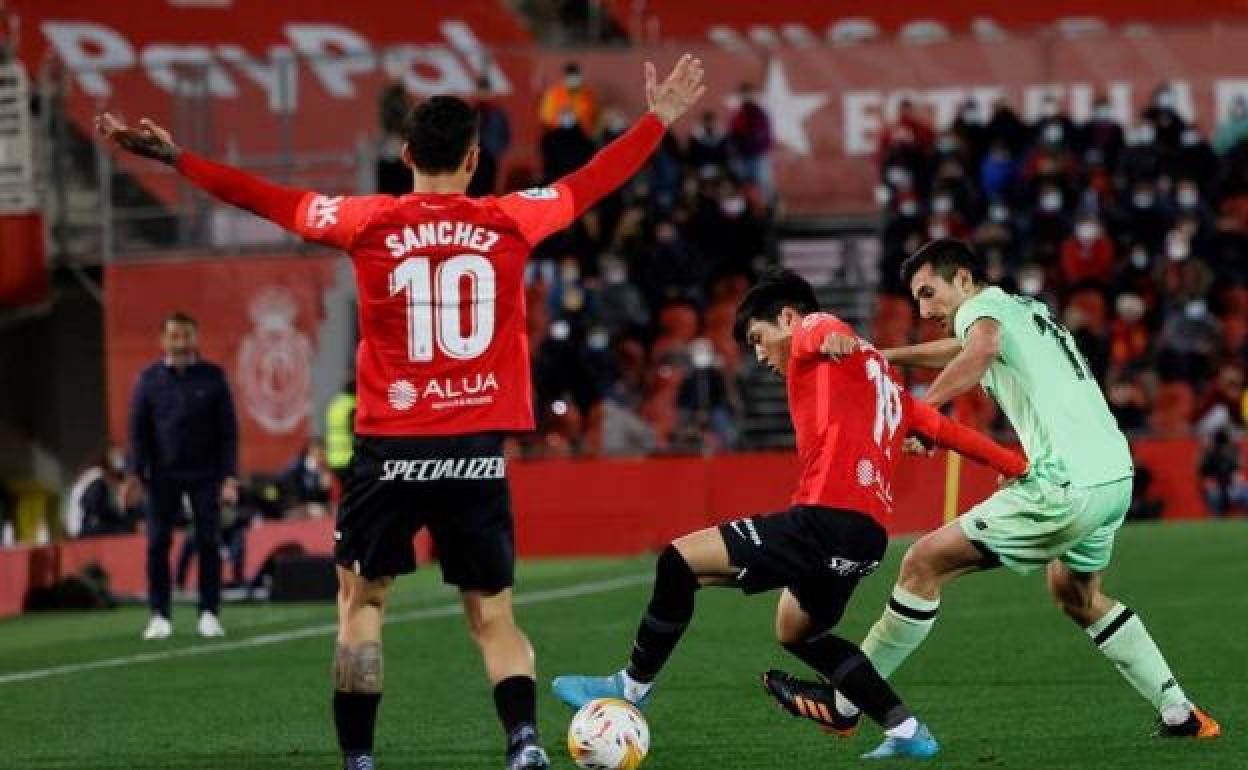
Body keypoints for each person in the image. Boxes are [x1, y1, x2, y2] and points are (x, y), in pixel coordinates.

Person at [98, 53, 708, 770]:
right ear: (476, 159)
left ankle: (360, 759)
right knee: (494, 615)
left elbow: (262, 196)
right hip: (475, 449)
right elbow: (594, 179)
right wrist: (658, 118)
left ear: (406, 154)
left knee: (362, 605)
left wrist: (177, 157)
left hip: (390, 448)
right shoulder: (512, 219)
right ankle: (524, 743)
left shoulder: (365, 221)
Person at [552, 269, 1029, 760]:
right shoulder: (882, 381)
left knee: (677, 561)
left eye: (759, 339)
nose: (759, 355)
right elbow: (947, 431)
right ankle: (906, 730)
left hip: (822, 521)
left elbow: (817, 326)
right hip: (865, 540)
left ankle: (630, 686)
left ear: (784, 318)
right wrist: (1014, 465)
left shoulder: (812, 335)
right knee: (798, 631)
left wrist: (836, 335)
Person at [821, 239, 1220, 740]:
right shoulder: (1020, 307)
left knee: (922, 562)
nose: (923, 310)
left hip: (1065, 482)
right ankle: (1179, 711)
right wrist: (884, 355)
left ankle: (845, 703)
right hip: (1113, 476)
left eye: (929, 293)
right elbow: (970, 344)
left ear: (964, 279)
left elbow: (981, 346)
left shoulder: (983, 312)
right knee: (1075, 594)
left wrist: (924, 414)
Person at [123, 312, 238, 641]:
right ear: (163, 340)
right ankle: (159, 614)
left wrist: (229, 477)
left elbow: (228, 432)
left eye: (186, 336)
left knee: (208, 541)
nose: (181, 342)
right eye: (174, 336)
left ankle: (209, 613)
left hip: (206, 474)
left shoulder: (213, 377)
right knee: (158, 543)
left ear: (195, 339)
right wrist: (133, 475)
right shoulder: (148, 380)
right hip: (161, 474)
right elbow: (138, 432)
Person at [469, 76, 512, 197]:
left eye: (485, 91)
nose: (483, 94)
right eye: (480, 90)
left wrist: (497, 150)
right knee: (473, 190)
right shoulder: (471, 113)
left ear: (490, 93)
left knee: (488, 191)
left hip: (491, 157)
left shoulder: (498, 114)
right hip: (473, 159)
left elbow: (506, 135)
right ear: (476, 92)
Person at [539, 60, 598, 135]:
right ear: (564, 77)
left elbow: (593, 115)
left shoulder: (588, 94)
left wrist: (576, 118)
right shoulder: (553, 94)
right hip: (559, 136)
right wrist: (561, 119)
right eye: (571, 76)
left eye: (576, 76)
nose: (573, 80)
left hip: (582, 137)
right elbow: (546, 116)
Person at [325, 379, 356, 484]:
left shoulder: (335, 403)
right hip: (348, 458)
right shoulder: (352, 406)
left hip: (333, 457)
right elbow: (355, 430)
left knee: (344, 491)